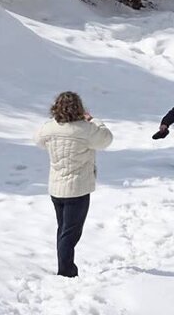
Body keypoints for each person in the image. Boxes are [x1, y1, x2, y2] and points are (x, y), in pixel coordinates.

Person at [35, 91, 113, 278]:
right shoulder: (86, 129)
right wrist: (94, 120)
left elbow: (38, 140)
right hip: (77, 189)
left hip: (56, 188)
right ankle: (66, 272)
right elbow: (106, 139)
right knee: (70, 234)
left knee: (63, 230)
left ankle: (65, 267)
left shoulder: (49, 128)